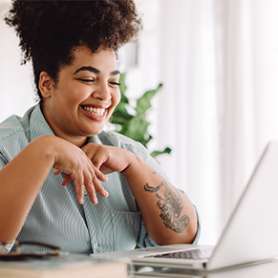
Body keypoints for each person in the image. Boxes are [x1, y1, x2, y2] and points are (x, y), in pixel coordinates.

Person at [0, 0, 200, 254]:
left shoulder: (126, 153)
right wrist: (44, 150)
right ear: (47, 84)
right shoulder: (5, 147)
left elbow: (183, 238)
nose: (105, 95)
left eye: (113, 82)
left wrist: (134, 166)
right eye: (88, 79)